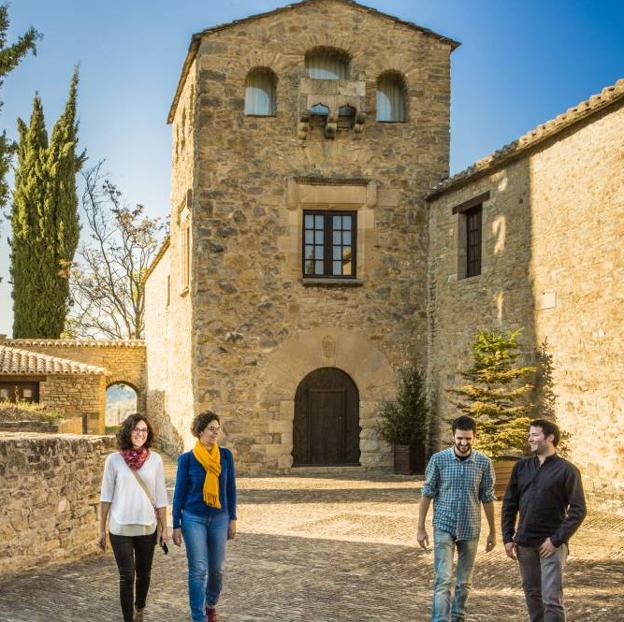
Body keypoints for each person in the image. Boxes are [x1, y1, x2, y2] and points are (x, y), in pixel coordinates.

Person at [502, 419, 586, 622]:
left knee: (551, 599)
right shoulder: (521, 467)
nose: (530, 438)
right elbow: (510, 503)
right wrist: (508, 537)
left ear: (550, 438)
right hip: (524, 543)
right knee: (532, 595)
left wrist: (556, 540)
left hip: (551, 545)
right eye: (529, 434)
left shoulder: (567, 470)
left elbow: (578, 510)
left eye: (535, 435)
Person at [417, 415, 496, 622]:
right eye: (460, 438)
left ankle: (458, 618)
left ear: (474, 437)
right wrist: (421, 528)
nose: (463, 443)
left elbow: (487, 498)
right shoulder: (439, 460)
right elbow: (427, 493)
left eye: (468, 439)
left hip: (471, 528)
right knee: (443, 579)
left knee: (464, 582)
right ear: (453, 436)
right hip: (444, 525)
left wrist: (493, 532)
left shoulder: (484, 463)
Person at [98, 413, 169, 622]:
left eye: (144, 430)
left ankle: (140, 609)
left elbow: (161, 497)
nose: (140, 434)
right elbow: (105, 498)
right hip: (120, 528)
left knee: (144, 574)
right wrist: (101, 530)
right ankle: (128, 619)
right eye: (136, 429)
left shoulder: (155, 460)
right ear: (128, 432)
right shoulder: (114, 460)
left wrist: (165, 528)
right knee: (126, 576)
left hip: (148, 527)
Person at [173, 411, 237, 622]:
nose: (215, 432)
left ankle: (210, 604)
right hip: (193, 519)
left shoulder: (225, 456)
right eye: (211, 428)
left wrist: (233, 519)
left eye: (217, 429)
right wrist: (175, 524)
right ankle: (198, 617)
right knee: (198, 569)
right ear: (200, 431)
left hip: (220, 518)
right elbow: (179, 493)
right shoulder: (187, 460)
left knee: (217, 569)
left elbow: (230, 490)